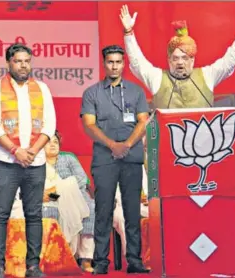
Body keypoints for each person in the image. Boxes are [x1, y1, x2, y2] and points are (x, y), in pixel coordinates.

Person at [0, 43, 56, 278]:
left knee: (34, 215)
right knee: (0, 214)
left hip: (35, 164)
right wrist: (16, 150)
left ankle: (33, 267)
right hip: (6, 161)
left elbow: (50, 125)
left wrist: (32, 151)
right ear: (8, 63)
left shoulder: (42, 89)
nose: (23, 65)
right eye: (18, 61)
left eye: (27, 60)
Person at [81, 44, 150, 274]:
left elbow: (143, 120)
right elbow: (89, 125)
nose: (114, 66)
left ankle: (134, 261)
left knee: (132, 210)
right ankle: (101, 262)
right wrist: (112, 145)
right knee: (103, 210)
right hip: (104, 158)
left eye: (118, 62)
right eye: (110, 61)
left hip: (131, 157)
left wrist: (127, 145)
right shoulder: (92, 92)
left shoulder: (136, 91)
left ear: (124, 64)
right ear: (104, 63)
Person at [119, 5, 235, 109]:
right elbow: (137, 62)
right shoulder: (157, 78)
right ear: (169, 60)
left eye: (185, 58)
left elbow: (228, 63)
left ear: (192, 60)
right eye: (175, 58)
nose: (180, 63)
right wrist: (128, 32)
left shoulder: (207, 75)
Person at [44, 131, 95, 273]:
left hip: (76, 193)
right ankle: (66, 256)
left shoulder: (68, 158)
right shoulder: (38, 162)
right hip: (51, 197)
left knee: (89, 208)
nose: (53, 145)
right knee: (53, 209)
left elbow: (81, 179)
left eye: (55, 142)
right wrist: (56, 194)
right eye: (49, 142)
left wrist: (62, 189)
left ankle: (86, 259)